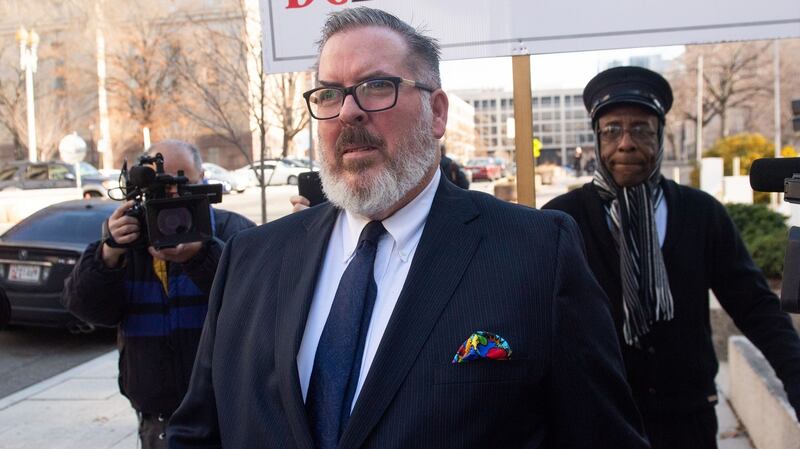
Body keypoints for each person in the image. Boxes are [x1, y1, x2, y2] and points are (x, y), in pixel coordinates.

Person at [167, 8, 649, 449]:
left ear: (436, 112)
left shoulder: (537, 253)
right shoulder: (251, 259)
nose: (349, 111)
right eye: (330, 93)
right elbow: (198, 434)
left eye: (377, 86)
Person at [543, 66, 800, 449]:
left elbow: (755, 306)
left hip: (687, 422)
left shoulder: (701, 213)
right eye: (612, 130)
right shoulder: (560, 220)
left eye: (641, 129)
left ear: (660, 137)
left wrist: (795, 378)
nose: (626, 143)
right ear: (596, 140)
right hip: (595, 423)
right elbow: (532, 319)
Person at [61, 140, 255, 449]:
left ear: (203, 179)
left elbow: (256, 305)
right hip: (157, 418)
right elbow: (86, 310)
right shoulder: (128, 235)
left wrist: (202, 256)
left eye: (184, 183)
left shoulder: (234, 232)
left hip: (229, 410)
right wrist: (109, 252)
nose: (173, 195)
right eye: (162, 186)